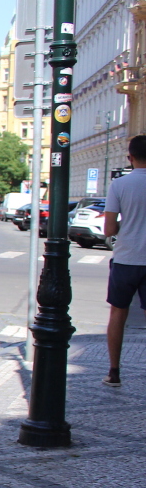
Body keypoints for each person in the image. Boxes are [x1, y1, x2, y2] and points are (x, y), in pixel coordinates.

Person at [102, 134, 146, 386]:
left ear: (130, 158)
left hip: (126, 259)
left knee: (118, 313)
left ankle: (114, 371)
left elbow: (108, 229)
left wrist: (125, 223)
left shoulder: (119, 185)